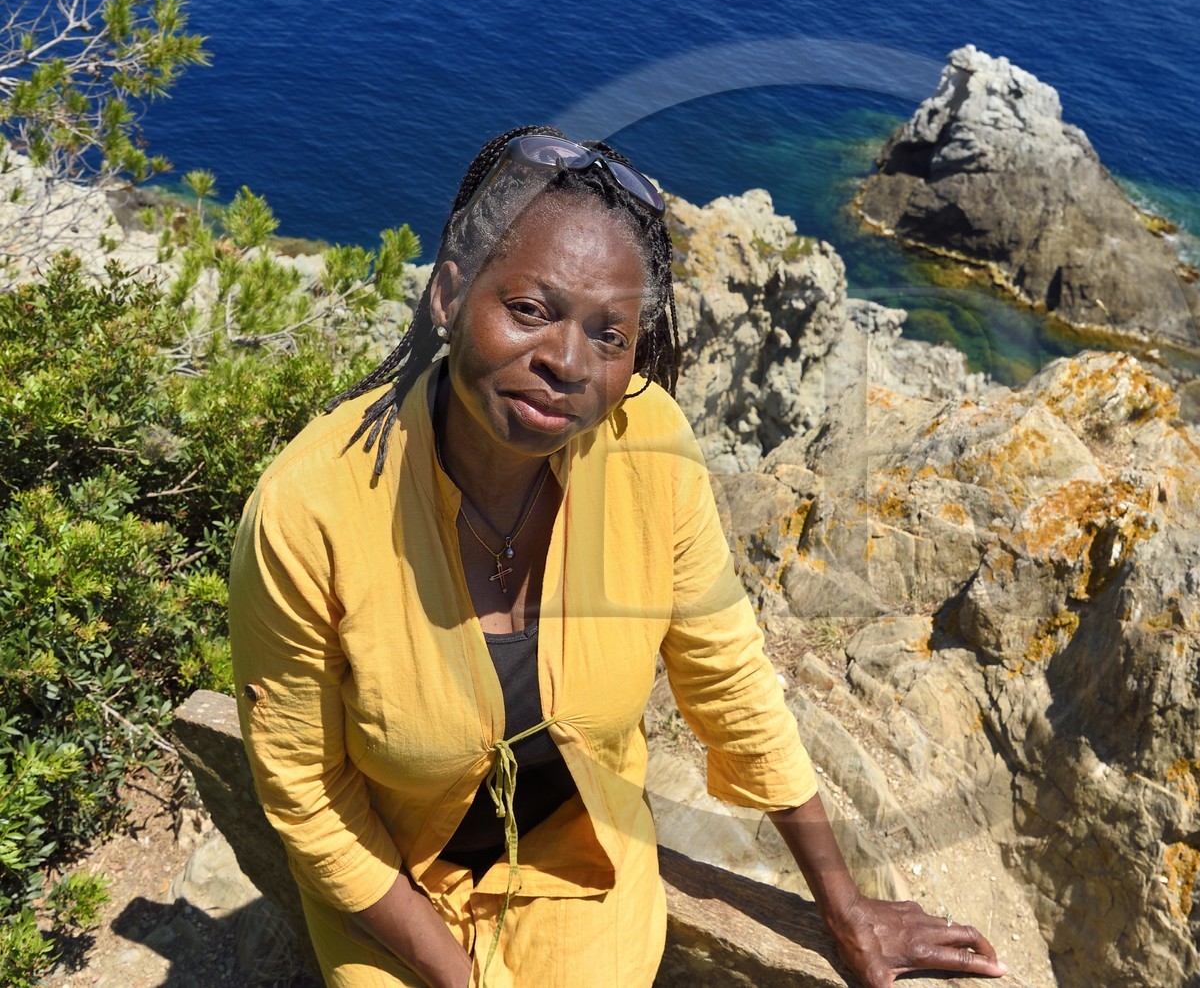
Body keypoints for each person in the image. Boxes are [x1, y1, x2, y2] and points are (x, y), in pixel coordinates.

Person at [228, 125, 1008, 988]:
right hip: (396, 893)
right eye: (530, 309)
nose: (566, 361)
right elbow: (309, 798)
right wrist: (459, 978)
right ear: (449, 293)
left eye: (610, 335)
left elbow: (730, 679)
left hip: (582, 870)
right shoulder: (310, 513)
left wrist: (843, 902)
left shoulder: (650, 452)